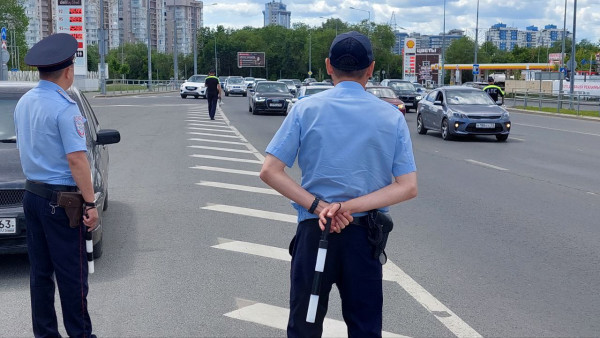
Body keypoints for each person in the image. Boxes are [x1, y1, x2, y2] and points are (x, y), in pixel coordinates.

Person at [260, 31, 418, 337]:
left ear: (328, 66)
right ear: (371, 68)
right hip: (364, 238)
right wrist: (347, 208)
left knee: (304, 325)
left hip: (314, 232)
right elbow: (407, 186)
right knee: (364, 327)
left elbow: (270, 170)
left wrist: (321, 207)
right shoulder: (391, 117)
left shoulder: (305, 109)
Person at [14, 33, 98, 338]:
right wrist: (90, 204)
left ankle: (45, 334)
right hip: (61, 203)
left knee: (40, 274)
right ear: (68, 70)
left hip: (32, 196)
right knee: (72, 277)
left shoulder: (25, 102)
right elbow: (77, 160)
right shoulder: (65, 108)